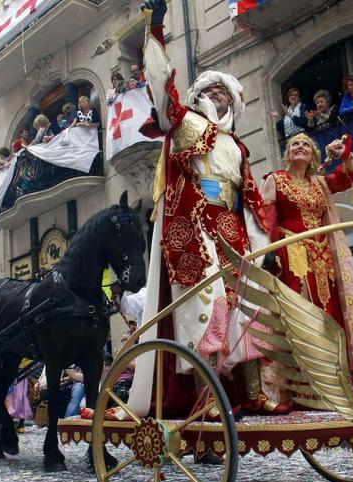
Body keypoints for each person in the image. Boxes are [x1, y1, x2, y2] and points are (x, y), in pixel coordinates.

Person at [128, 0, 285, 419]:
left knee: (245, 313)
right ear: (199, 97)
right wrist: (156, 28)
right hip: (196, 232)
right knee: (204, 315)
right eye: (212, 91)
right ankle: (206, 398)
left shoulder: (237, 144)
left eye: (225, 93)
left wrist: (261, 238)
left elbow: (248, 196)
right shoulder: (184, 122)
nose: (219, 96)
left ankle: (250, 394)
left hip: (233, 232)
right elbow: (161, 88)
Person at [260, 133, 353, 380]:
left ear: (313, 154)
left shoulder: (320, 183)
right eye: (294, 144)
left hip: (324, 257)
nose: (299, 147)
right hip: (292, 256)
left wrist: (341, 152)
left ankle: (335, 380)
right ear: (287, 153)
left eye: (305, 144)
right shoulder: (275, 180)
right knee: (300, 313)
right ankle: (302, 382)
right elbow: (266, 219)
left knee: (331, 311)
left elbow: (349, 177)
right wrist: (269, 254)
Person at [270, 87, 308, 153]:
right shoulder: (288, 110)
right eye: (291, 95)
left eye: (296, 95)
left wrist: (289, 114)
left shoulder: (302, 107)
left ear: (299, 98)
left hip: (302, 139)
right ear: (289, 98)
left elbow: (302, 122)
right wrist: (277, 117)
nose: (293, 97)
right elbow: (282, 128)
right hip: (290, 142)